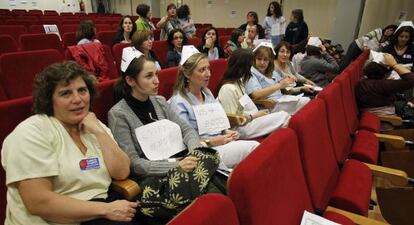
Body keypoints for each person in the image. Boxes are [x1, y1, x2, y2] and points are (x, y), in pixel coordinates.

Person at [1, 61, 137, 225]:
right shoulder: (31, 132)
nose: (78, 99)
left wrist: (100, 133)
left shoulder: (95, 125)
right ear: (49, 100)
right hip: (55, 219)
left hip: (101, 207)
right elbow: (39, 202)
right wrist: (106, 210)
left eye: (82, 90)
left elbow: (122, 172)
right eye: (66, 93)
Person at [108, 48, 222, 223]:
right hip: (155, 178)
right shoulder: (118, 114)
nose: (156, 81)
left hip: (186, 163)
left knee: (221, 184)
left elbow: (187, 130)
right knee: (211, 198)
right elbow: (134, 163)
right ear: (130, 80)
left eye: (156, 74)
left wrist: (194, 152)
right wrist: (175, 167)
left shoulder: (159, 101)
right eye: (149, 76)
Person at [169, 47, 259, 170]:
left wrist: (227, 132)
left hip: (221, 143)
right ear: (187, 74)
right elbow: (186, 141)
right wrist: (212, 141)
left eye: (208, 68)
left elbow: (218, 123)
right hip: (204, 151)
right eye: (202, 70)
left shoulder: (207, 93)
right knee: (254, 148)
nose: (208, 74)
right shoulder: (179, 102)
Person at [218, 49, 290, 139]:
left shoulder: (239, 82)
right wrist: (254, 116)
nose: (252, 69)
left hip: (251, 119)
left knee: (282, 117)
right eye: (250, 66)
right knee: (283, 116)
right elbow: (232, 120)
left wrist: (258, 115)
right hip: (240, 128)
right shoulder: (228, 89)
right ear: (243, 67)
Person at [245, 42, 310, 115]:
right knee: (305, 103)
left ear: (270, 61)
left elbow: (284, 88)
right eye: (259, 59)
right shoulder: (251, 73)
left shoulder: (271, 71)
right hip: (270, 105)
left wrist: (289, 81)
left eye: (265, 60)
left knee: (307, 101)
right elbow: (255, 95)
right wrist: (279, 85)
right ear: (254, 59)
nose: (262, 62)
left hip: (282, 99)